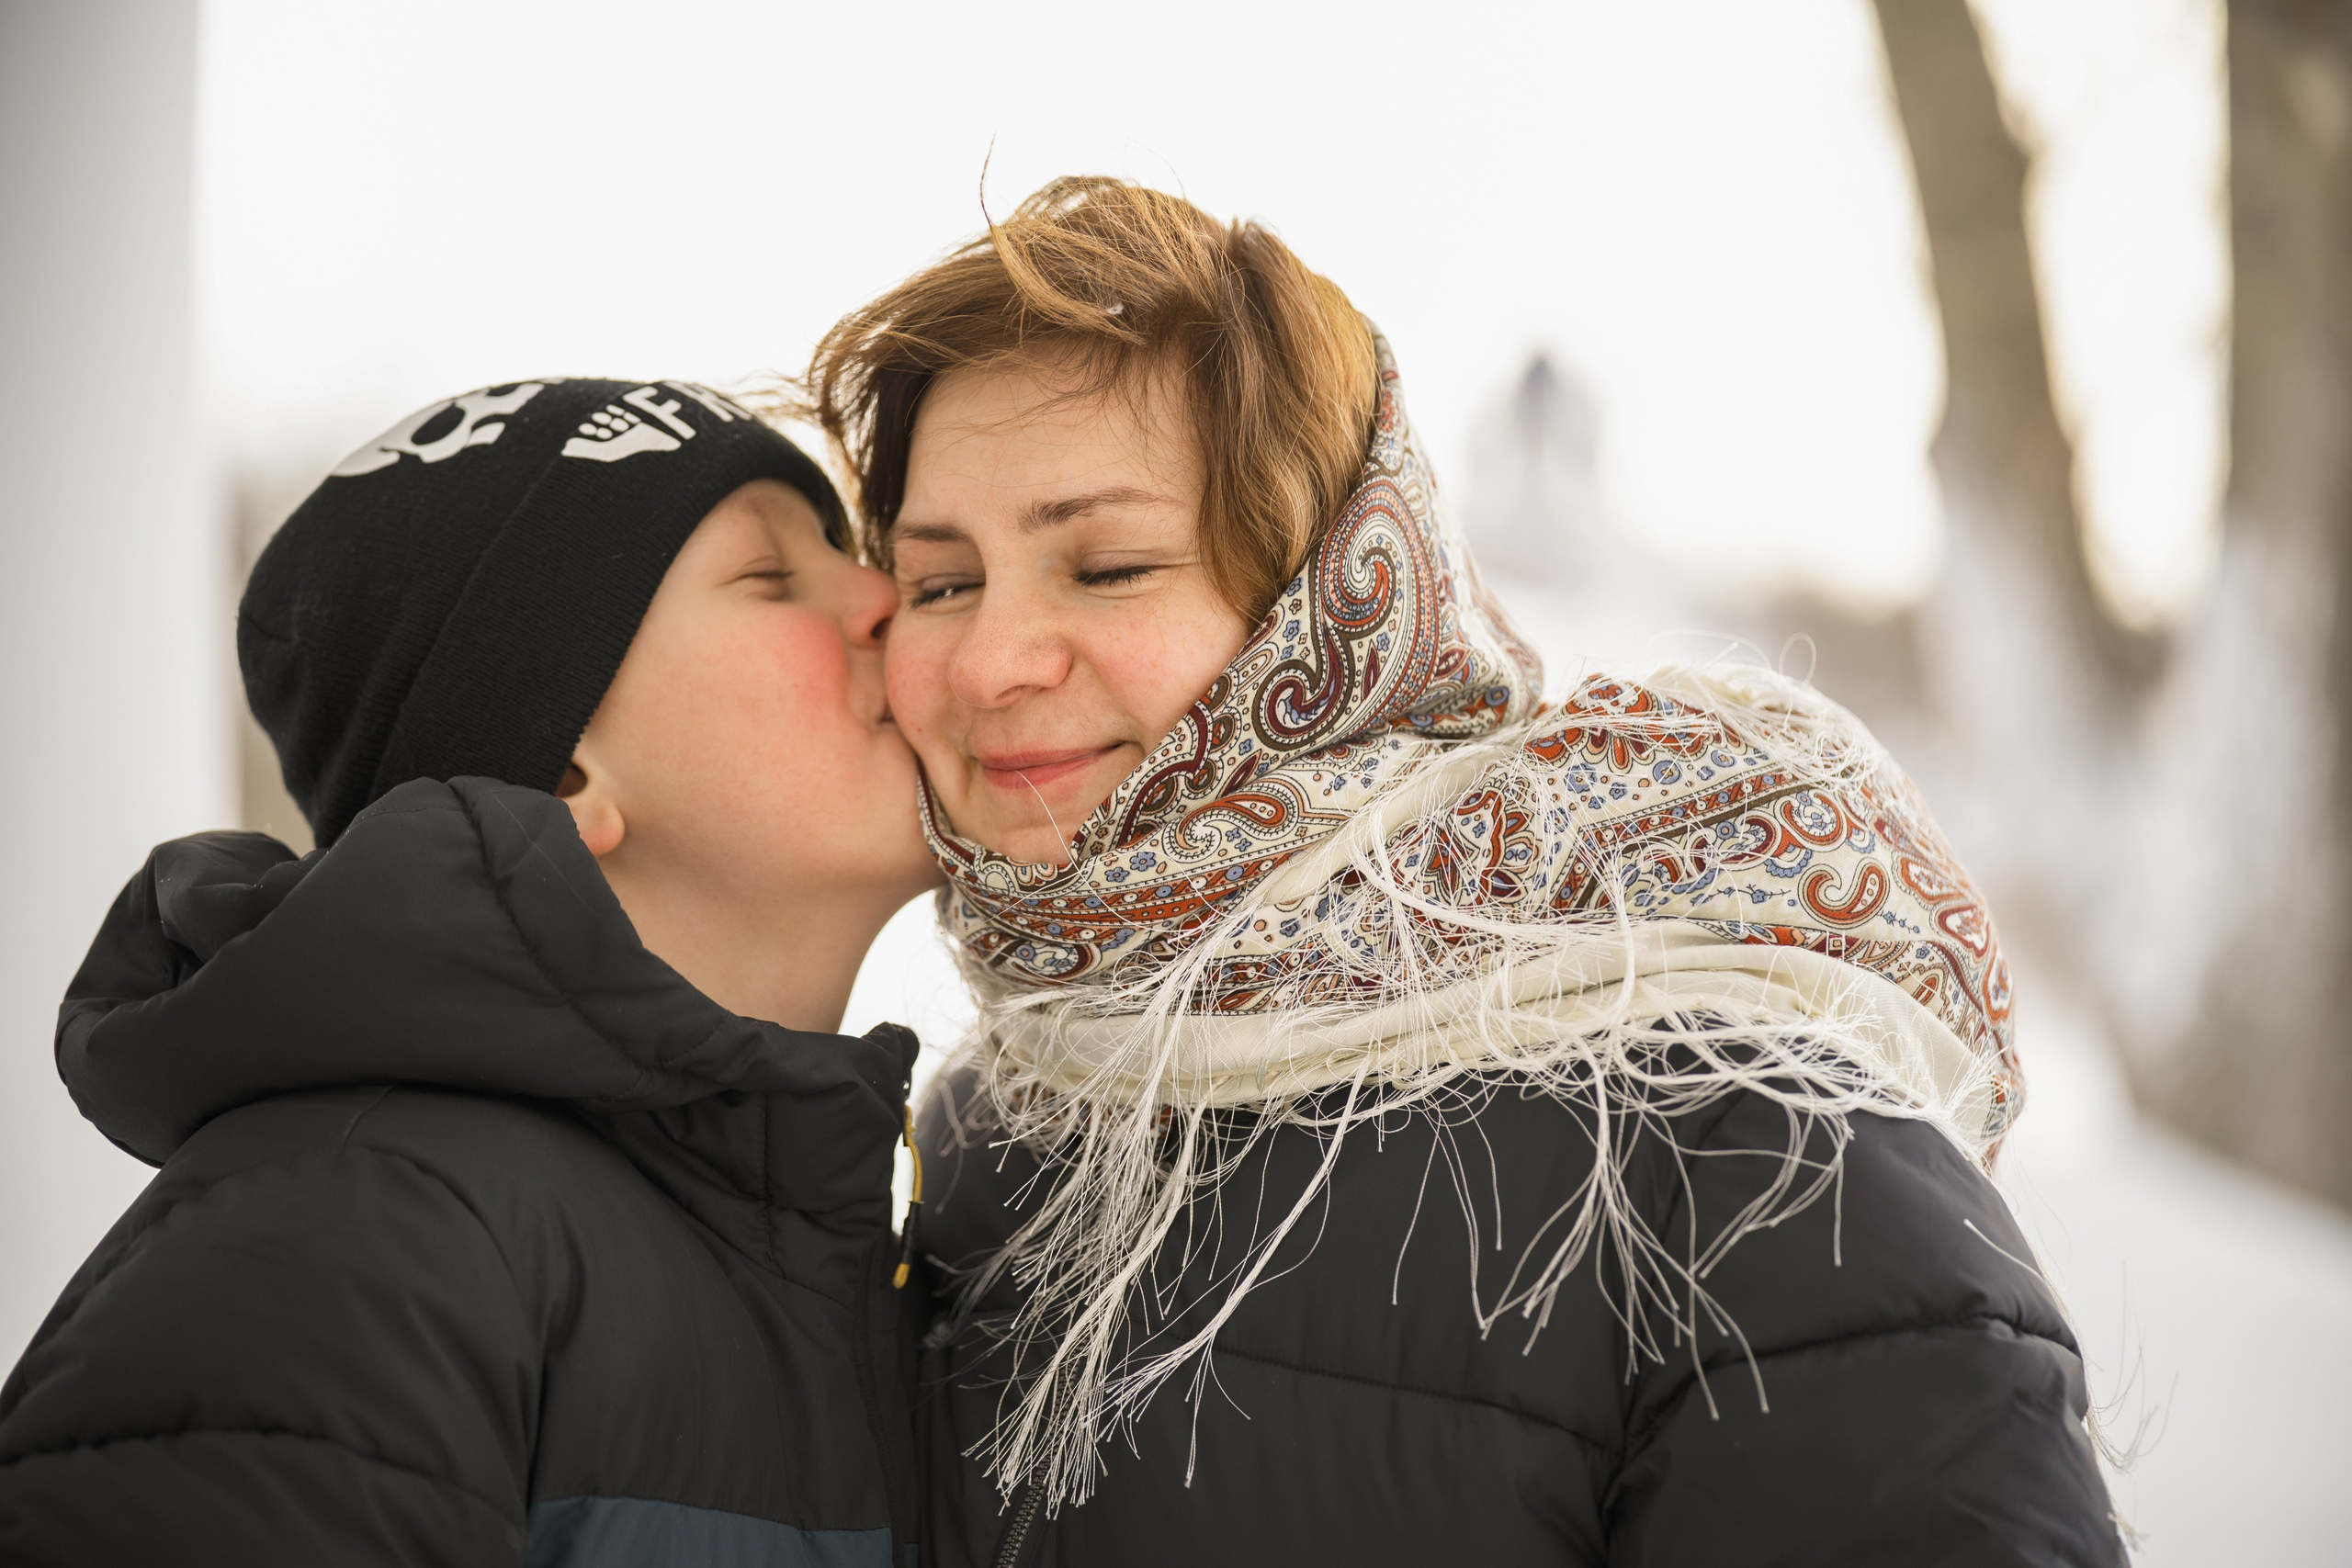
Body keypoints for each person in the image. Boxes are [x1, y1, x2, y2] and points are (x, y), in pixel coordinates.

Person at [807, 179, 2129, 1565]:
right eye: (943, 581)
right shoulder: (988, 1130)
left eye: (1112, 566)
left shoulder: (1732, 1137)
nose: (991, 661)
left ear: (1337, 599)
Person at [0, 378, 940, 1565]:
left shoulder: (863, 1262)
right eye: (770, 576)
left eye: (845, 548)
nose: (883, 595)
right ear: (561, 783)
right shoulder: (353, 1249)